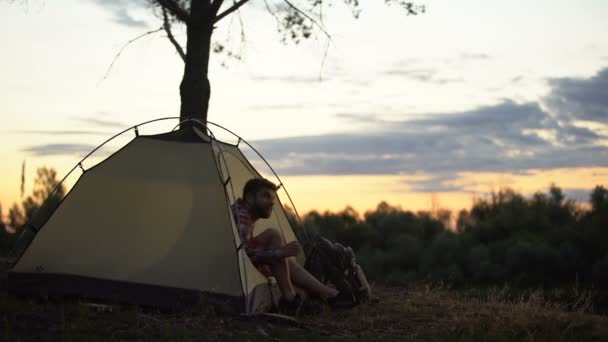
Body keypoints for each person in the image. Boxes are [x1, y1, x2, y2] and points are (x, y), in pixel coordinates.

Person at [232, 178, 347, 313]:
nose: (271, 203)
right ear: (250, 198)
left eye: (273, 198)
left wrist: (281, 253)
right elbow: (244, 255)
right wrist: (280, 252)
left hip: (241, 263)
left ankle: (325, 293)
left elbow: (247, 250)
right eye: (266, 196)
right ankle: (293, 299)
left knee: (279, 247)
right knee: (275, 238)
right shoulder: (242, 216)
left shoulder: (244, 212)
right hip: (234, 268)